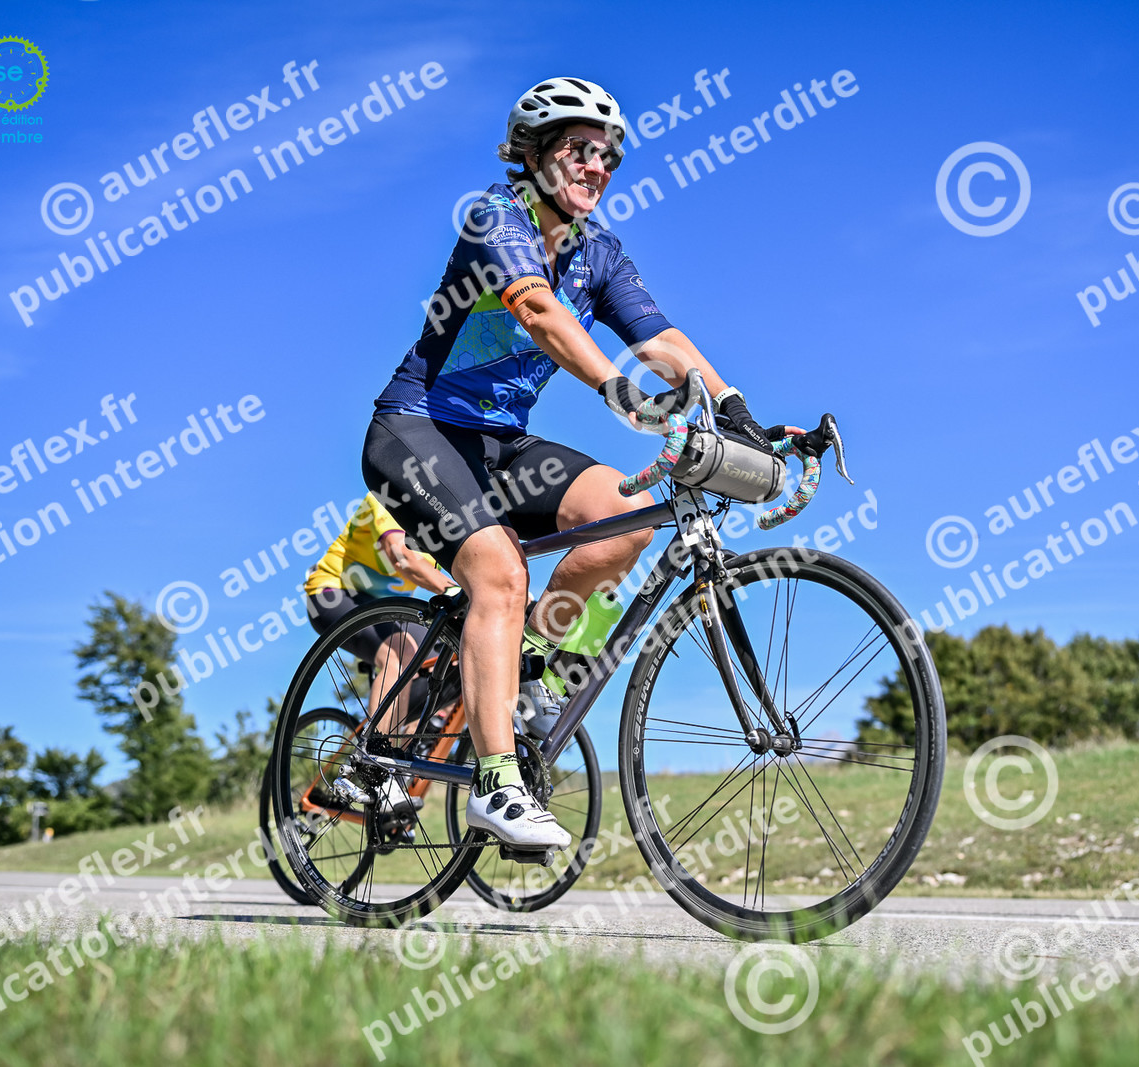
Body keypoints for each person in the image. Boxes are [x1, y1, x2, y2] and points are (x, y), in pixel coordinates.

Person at [362, 77, 786, 850]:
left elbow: (662, 340)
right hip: (417, 429)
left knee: (623, 518)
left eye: (607, 157)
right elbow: (538, 309)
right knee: (499, 573)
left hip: (501, 447)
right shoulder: (498, 215)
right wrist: (620, 392)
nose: (596, 168)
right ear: (533, 155)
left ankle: (524, 661)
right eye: (577, 150)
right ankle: (496, 786)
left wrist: (732, 407)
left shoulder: (600, 253)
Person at [304, 492, 456, 812]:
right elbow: (401, 557)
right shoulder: (390, 496)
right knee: (400, 652)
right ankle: (374, 765)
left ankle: (404, 758)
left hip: (388, 609)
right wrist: (454, 592)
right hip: (332, 593)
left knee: (450, 651)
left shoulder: (443, 522)